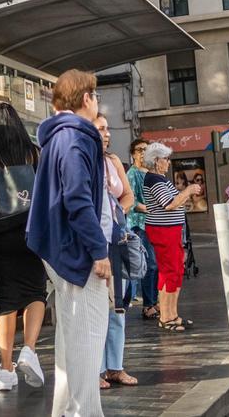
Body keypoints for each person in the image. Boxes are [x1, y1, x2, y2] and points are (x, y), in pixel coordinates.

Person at [26, 69, 110, 417]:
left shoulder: (58, 137)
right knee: (88, 337)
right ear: (86, 98)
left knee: (71, 338)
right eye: (95, 96)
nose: (97, 102)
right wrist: (99, 250)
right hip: (76, 252)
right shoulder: (76, 138)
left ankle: (64, 411)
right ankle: (83, 413)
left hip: (60, 248)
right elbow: (77, 199)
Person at [0, 102, 47, 393]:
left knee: (7, 301)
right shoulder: (33, 152)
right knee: (36, 292)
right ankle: (29, 349)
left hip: (1, 236)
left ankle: (5, 371)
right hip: (31, 232)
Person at [94, 114, 137, 390]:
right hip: (96, 242)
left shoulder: (113, 161)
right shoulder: (85, 161)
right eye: (101, 128)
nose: (107, 133)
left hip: (116, 239)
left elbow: (129, 194)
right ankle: (95, 369)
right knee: (98, 306)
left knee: (117, 306)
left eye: (107, 128)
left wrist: (117, 210)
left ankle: (115, 366)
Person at [141, 142, 202, 332]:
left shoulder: (162, 179)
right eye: (166, 159)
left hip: (171, 230)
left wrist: (185, 194)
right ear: (157, 160)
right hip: (162, 231)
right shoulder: (153, 180)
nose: (168, 162)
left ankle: (173, 314)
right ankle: (166, 316)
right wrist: (189, 191)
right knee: (169, 271)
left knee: (175, 270)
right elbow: (169, 204)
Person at [126, 139, 160, 321]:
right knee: (150, 264)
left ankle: (154, 301)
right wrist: (152, 208)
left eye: (146, 150)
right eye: (139, 150)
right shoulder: (132, 174)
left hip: (154, 223)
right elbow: (132, 201)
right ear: (132, 154)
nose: (142, 153)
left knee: (156, 266)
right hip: (140, 225)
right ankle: (148, 305)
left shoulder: (150, 172)